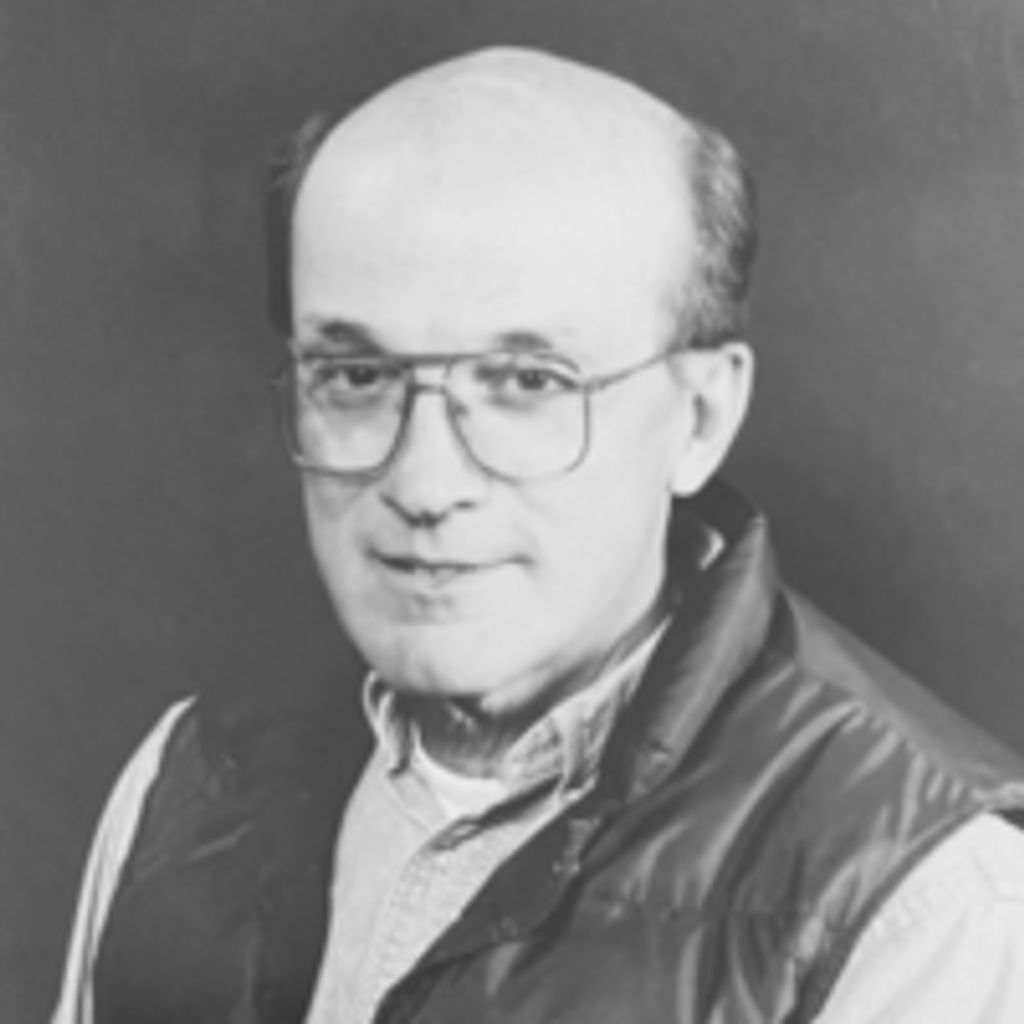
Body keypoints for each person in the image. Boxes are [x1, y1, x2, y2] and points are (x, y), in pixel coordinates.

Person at [53, 47, 1024, 1024]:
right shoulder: (187, 780)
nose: (424, 484)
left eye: (527, 383)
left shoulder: (925, 901)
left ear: (699, 418)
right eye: (355, 375)